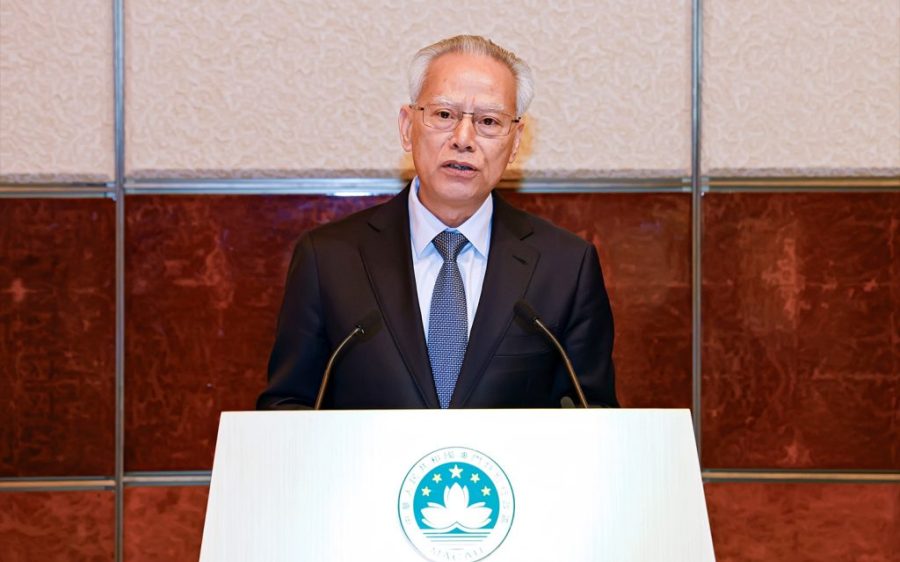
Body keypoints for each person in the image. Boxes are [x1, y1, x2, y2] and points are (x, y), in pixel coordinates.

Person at [257, 35, 618, 409]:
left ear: (514, 143)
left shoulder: (565, 266)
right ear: (407, 126)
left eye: (489, 121)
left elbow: (594, 416)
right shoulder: (329, 259)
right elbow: (288, 408)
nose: (463, 139)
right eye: (444, 115)